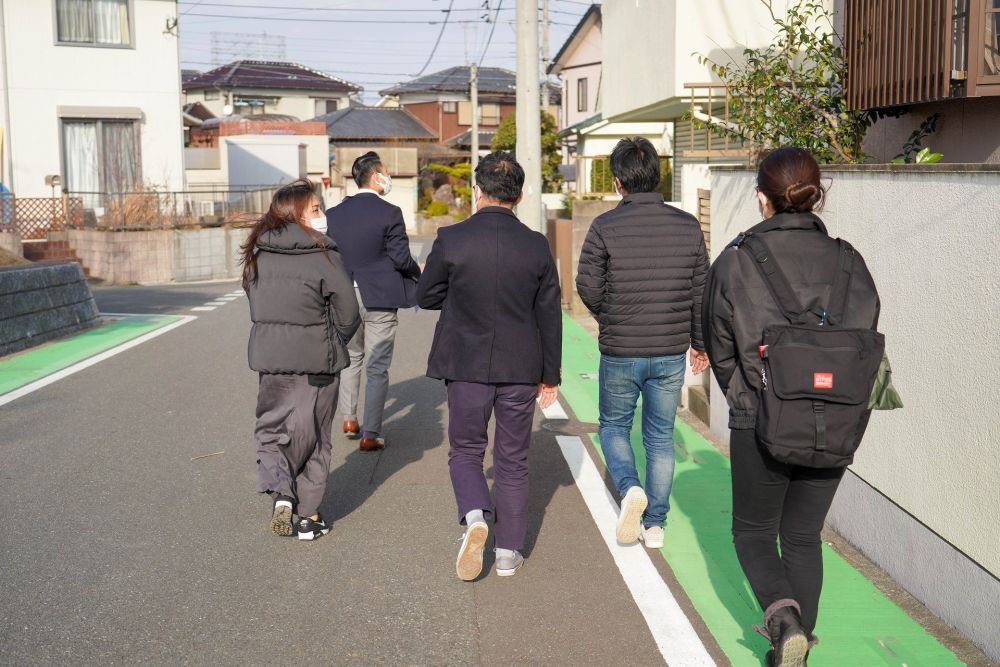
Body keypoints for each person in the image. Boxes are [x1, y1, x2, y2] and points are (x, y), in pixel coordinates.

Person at [702, 147, 880, 666]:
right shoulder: (851, 260)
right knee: (803, 536)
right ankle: (797, 646)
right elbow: (862, 336)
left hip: (760, 415)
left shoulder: (736, 260)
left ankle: (783, 624)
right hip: (837, 418)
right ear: (816, 193)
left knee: (753, 532)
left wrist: (746, 396)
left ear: (763, 199)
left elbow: (717, 344)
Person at [417, 151, 562, 581]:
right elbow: (549, 314)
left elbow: (427, 296)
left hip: (465, 363)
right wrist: (550, 377)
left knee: (465, 450)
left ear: (476, 191)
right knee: (513, 460)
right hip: (521, 367)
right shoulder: (536, 245)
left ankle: (476, 515)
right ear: (517, 196)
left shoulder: (452, 238)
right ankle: (508, 553)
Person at [575, 137, 709, 550]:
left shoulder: (605, 226)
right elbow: (700, 290)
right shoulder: (687, 226)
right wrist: (699, 344)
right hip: (670, 350)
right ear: (658, 175)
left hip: (620, 350)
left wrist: (609, 316)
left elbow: (587, 285)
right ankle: (655, 526)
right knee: (661, 436)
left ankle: (630, 487)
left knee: (614, 427)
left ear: (618, 182)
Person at [241, 179, 360, 541]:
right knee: (314, 438)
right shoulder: (324, 254)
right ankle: (308, 515)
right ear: (297, 215)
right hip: (318, 363)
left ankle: (281, 494)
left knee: (273, 430)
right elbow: (349, 312)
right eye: (316, 209)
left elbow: (255, 302)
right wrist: (335, 338)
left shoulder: (258, 253)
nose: (323, 215)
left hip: (271, 361)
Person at [326, 151, 421, 452]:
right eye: (386, 172)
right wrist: (418, 272)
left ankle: (349, 418)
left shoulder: (334, 214)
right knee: (377, 366)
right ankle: (371, 433)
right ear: (376, 175)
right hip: (380, 295)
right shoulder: (390, 213)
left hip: (345, 297)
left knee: (352, 357)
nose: (388, 177)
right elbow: (401, 258)